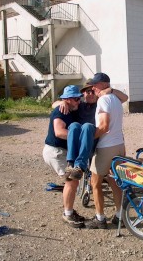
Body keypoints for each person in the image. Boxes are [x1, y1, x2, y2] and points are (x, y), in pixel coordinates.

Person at [52, 81, 128, 180]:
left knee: (87, 126)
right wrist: (63, 102)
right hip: (81, 140)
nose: (91, 94)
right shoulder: (79, 105)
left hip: (93, 138)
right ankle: (71, 164)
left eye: (92, 91)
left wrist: (110, 90)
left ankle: (80, 166)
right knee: (74, 125)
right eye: (88, 92)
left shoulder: (101, 103)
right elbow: (54, 104)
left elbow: (125, 98)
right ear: (83, 94)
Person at [85, 73, 126, 229]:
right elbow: (126, 97)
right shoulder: (116, 99)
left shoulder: (103, 100)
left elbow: (103, 126)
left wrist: (88, 139)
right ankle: (119, 215)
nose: (93, 88)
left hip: (105, 146)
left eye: (95, 85)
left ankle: (100, 218)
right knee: (114, 181)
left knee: (95, 183)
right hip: (119, 144)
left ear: (103, 84)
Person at [42, 85, 86, 228]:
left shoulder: (71, 107)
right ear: (67, 99)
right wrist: (83, 138)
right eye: (76, 99)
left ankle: (70, 211)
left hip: (62, 151)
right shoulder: (60, 111)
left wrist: (59, 101)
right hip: (56, 152)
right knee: (71, 181)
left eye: (79, 98)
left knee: (73, 181)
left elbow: (54, 102)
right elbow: (59, 132)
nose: (79, 101)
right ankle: (68, 214)